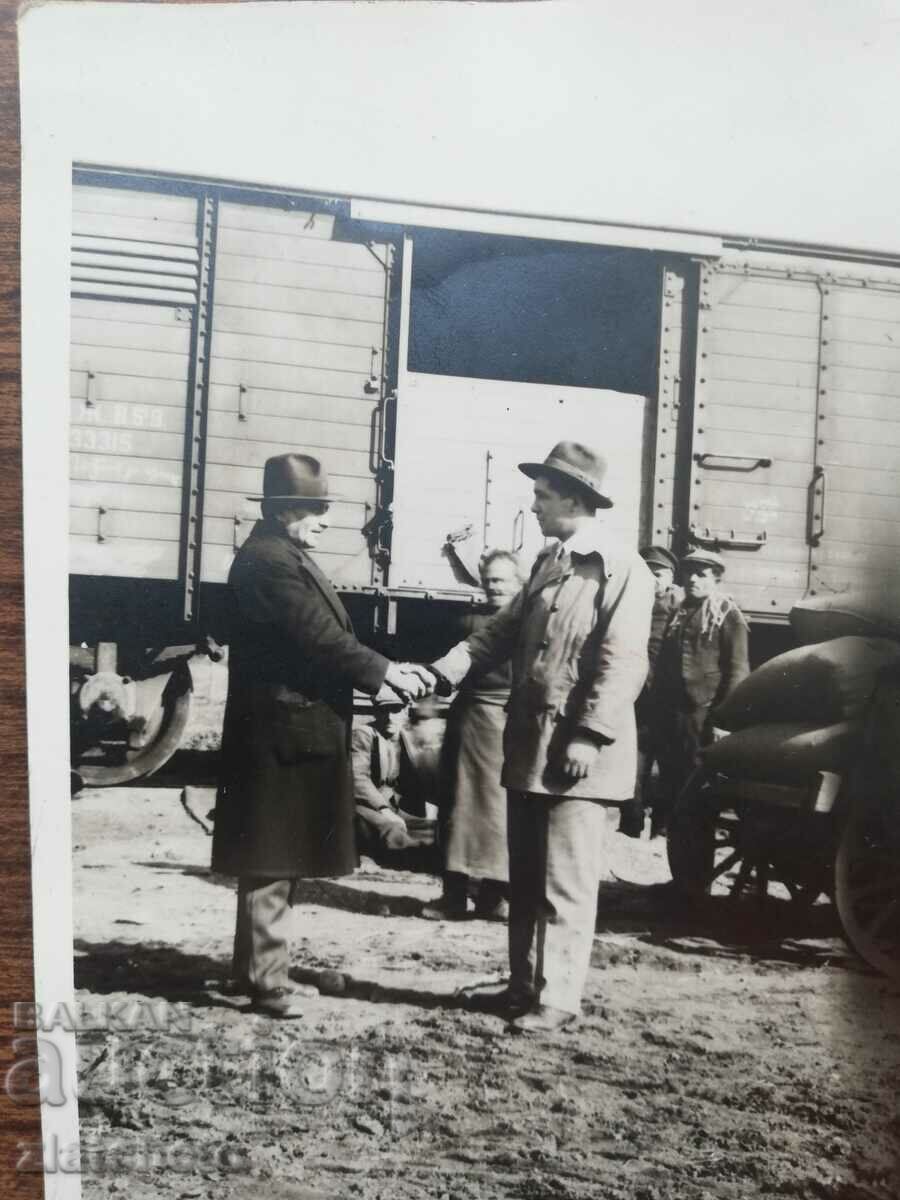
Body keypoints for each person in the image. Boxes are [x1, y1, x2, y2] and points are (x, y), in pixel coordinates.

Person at [430, 442, 654, 1033]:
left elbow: (623, 660)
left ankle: (558, 1000)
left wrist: (590, 734)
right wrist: (443, 669)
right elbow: (499, 634)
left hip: (581, 756)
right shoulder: (550, 562)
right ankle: (522, 986)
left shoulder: (621, 566)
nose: (533, 505)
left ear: (575, 499)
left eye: (542, 495)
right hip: (531, 750)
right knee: (526, 876)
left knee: (566, 882)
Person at [211, 452, 431, 1018]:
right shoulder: (268, 563)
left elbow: (321, 637)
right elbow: (318, 638)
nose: (325, 520)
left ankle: (258, 972)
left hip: (288, 725)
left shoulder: (278, 554)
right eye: (315, 509)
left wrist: (380, 672)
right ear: (285, 511)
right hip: (280, 731)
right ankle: (266, 983)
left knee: (273, 853)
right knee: (270, 854)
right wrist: (386, 672)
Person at [422, 549, 525, 922]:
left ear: (520, 582)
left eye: (501, 580)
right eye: (489, 579)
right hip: (473, 721)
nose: (493, 586)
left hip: (512, 723)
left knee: (501, 811)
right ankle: (454, 895)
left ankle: (493, 896)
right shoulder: (469, 622)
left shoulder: (531, 621)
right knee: (460, 804)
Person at [650, 547, 750, 837]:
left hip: (702, 715)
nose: (693, 579)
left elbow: (738, 669)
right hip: (674, 714)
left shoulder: (726, 614)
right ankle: (681, 877)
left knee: (696, 791)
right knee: (672, 784)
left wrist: (724, 720)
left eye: (701, 574)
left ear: (716, 579)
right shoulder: (679, 612)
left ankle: (696, 879)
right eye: (689, 573)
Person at [618, 545, 683, 838]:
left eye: (659, 574)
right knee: (632, 760)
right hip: (637, 695)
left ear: (671, 577)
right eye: (648, 573)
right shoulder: (630, 602)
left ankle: (663, 825)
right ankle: (631, 822)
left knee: (670, 764)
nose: (654, 579)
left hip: (668, 699)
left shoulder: (681, 605)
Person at [352, 696, 437, 858]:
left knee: (431, 828)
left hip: (395, 808)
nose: (390, 716)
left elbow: (426, 777)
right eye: (385, 710)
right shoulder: (363, 734)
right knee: (389, 828)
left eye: (396, 710)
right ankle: (414, 856)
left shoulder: (407, 738)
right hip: (364, 806)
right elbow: (358, 777)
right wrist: (383, 809)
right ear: (376, 712)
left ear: (405, 711)